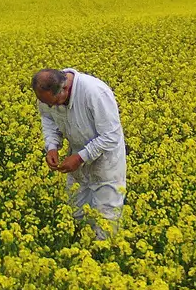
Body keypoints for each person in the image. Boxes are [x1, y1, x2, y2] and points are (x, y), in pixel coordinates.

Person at [31, 68, 126, 240]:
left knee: (106, 218)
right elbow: (48, 119)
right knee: (77, 213)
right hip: (76, 158)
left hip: (105, 162)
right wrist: (52, 146)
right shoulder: (47, 97)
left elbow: (111, 136)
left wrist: (81, 157)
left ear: (65, 89)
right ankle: (81, 253)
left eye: (53, 103)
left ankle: (104, 258)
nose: (51, 107)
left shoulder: (95, 93)